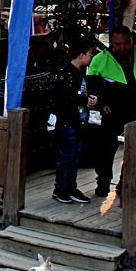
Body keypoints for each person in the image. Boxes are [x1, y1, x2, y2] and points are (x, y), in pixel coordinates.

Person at [86, 24, 136, 196]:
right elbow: (92, 87)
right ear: (111, 43)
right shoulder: (99, 59)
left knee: (135, 149)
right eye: (117, 44)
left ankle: (124, 184)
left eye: (126, 43)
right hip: (112, 110)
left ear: (131, 40)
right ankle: (103, 183)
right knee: (106, 150)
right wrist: (100, 104)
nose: (122, 47)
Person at [48, 35, 99, 204]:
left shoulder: (79, 73)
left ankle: (71, 186)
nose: (92, 57)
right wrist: (84, 100)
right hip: (68, 121)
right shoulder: (65, 74)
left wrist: (89, 100)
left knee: (75, 155)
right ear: (81, 55)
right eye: (90, 54)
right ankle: (60, 187)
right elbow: (63, 98)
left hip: (79, 120)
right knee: (67, 155)